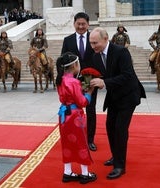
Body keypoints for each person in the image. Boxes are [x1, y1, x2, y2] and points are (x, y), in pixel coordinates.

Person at [89, 27, 146, 180]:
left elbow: (127, 76)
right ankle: (116, 156)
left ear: (106, 38)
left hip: (128, 95)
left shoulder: (121, 52)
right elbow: (97, 77)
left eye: (95, 43)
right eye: (91, 43)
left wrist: (104, 83)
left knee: (120, 130)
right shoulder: (95, 57)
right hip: (114, 96)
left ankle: (120, 166)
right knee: (110, 127)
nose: (93, 46)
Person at [56, 52, 97, 184]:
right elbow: (82, 102)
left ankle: (67, 172)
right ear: (74, 65)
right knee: (81, 142)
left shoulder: (60, 80)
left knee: (66, 144)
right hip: (75, 116)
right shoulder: (74, 82)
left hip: (64, 115)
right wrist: (90, 92)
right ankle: (85, 173)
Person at [61, 12, 97, 151]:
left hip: (89, 78)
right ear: (74, 24)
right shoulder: (68, 40)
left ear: (88, 24)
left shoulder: (93, 38)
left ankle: (90, 140)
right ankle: (74, 137)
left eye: (84, 24)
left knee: (91, 109)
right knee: (73, 111)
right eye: (78, 24)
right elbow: (63, 61)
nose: (81, 26)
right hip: (72, 82)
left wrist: (98, 77)